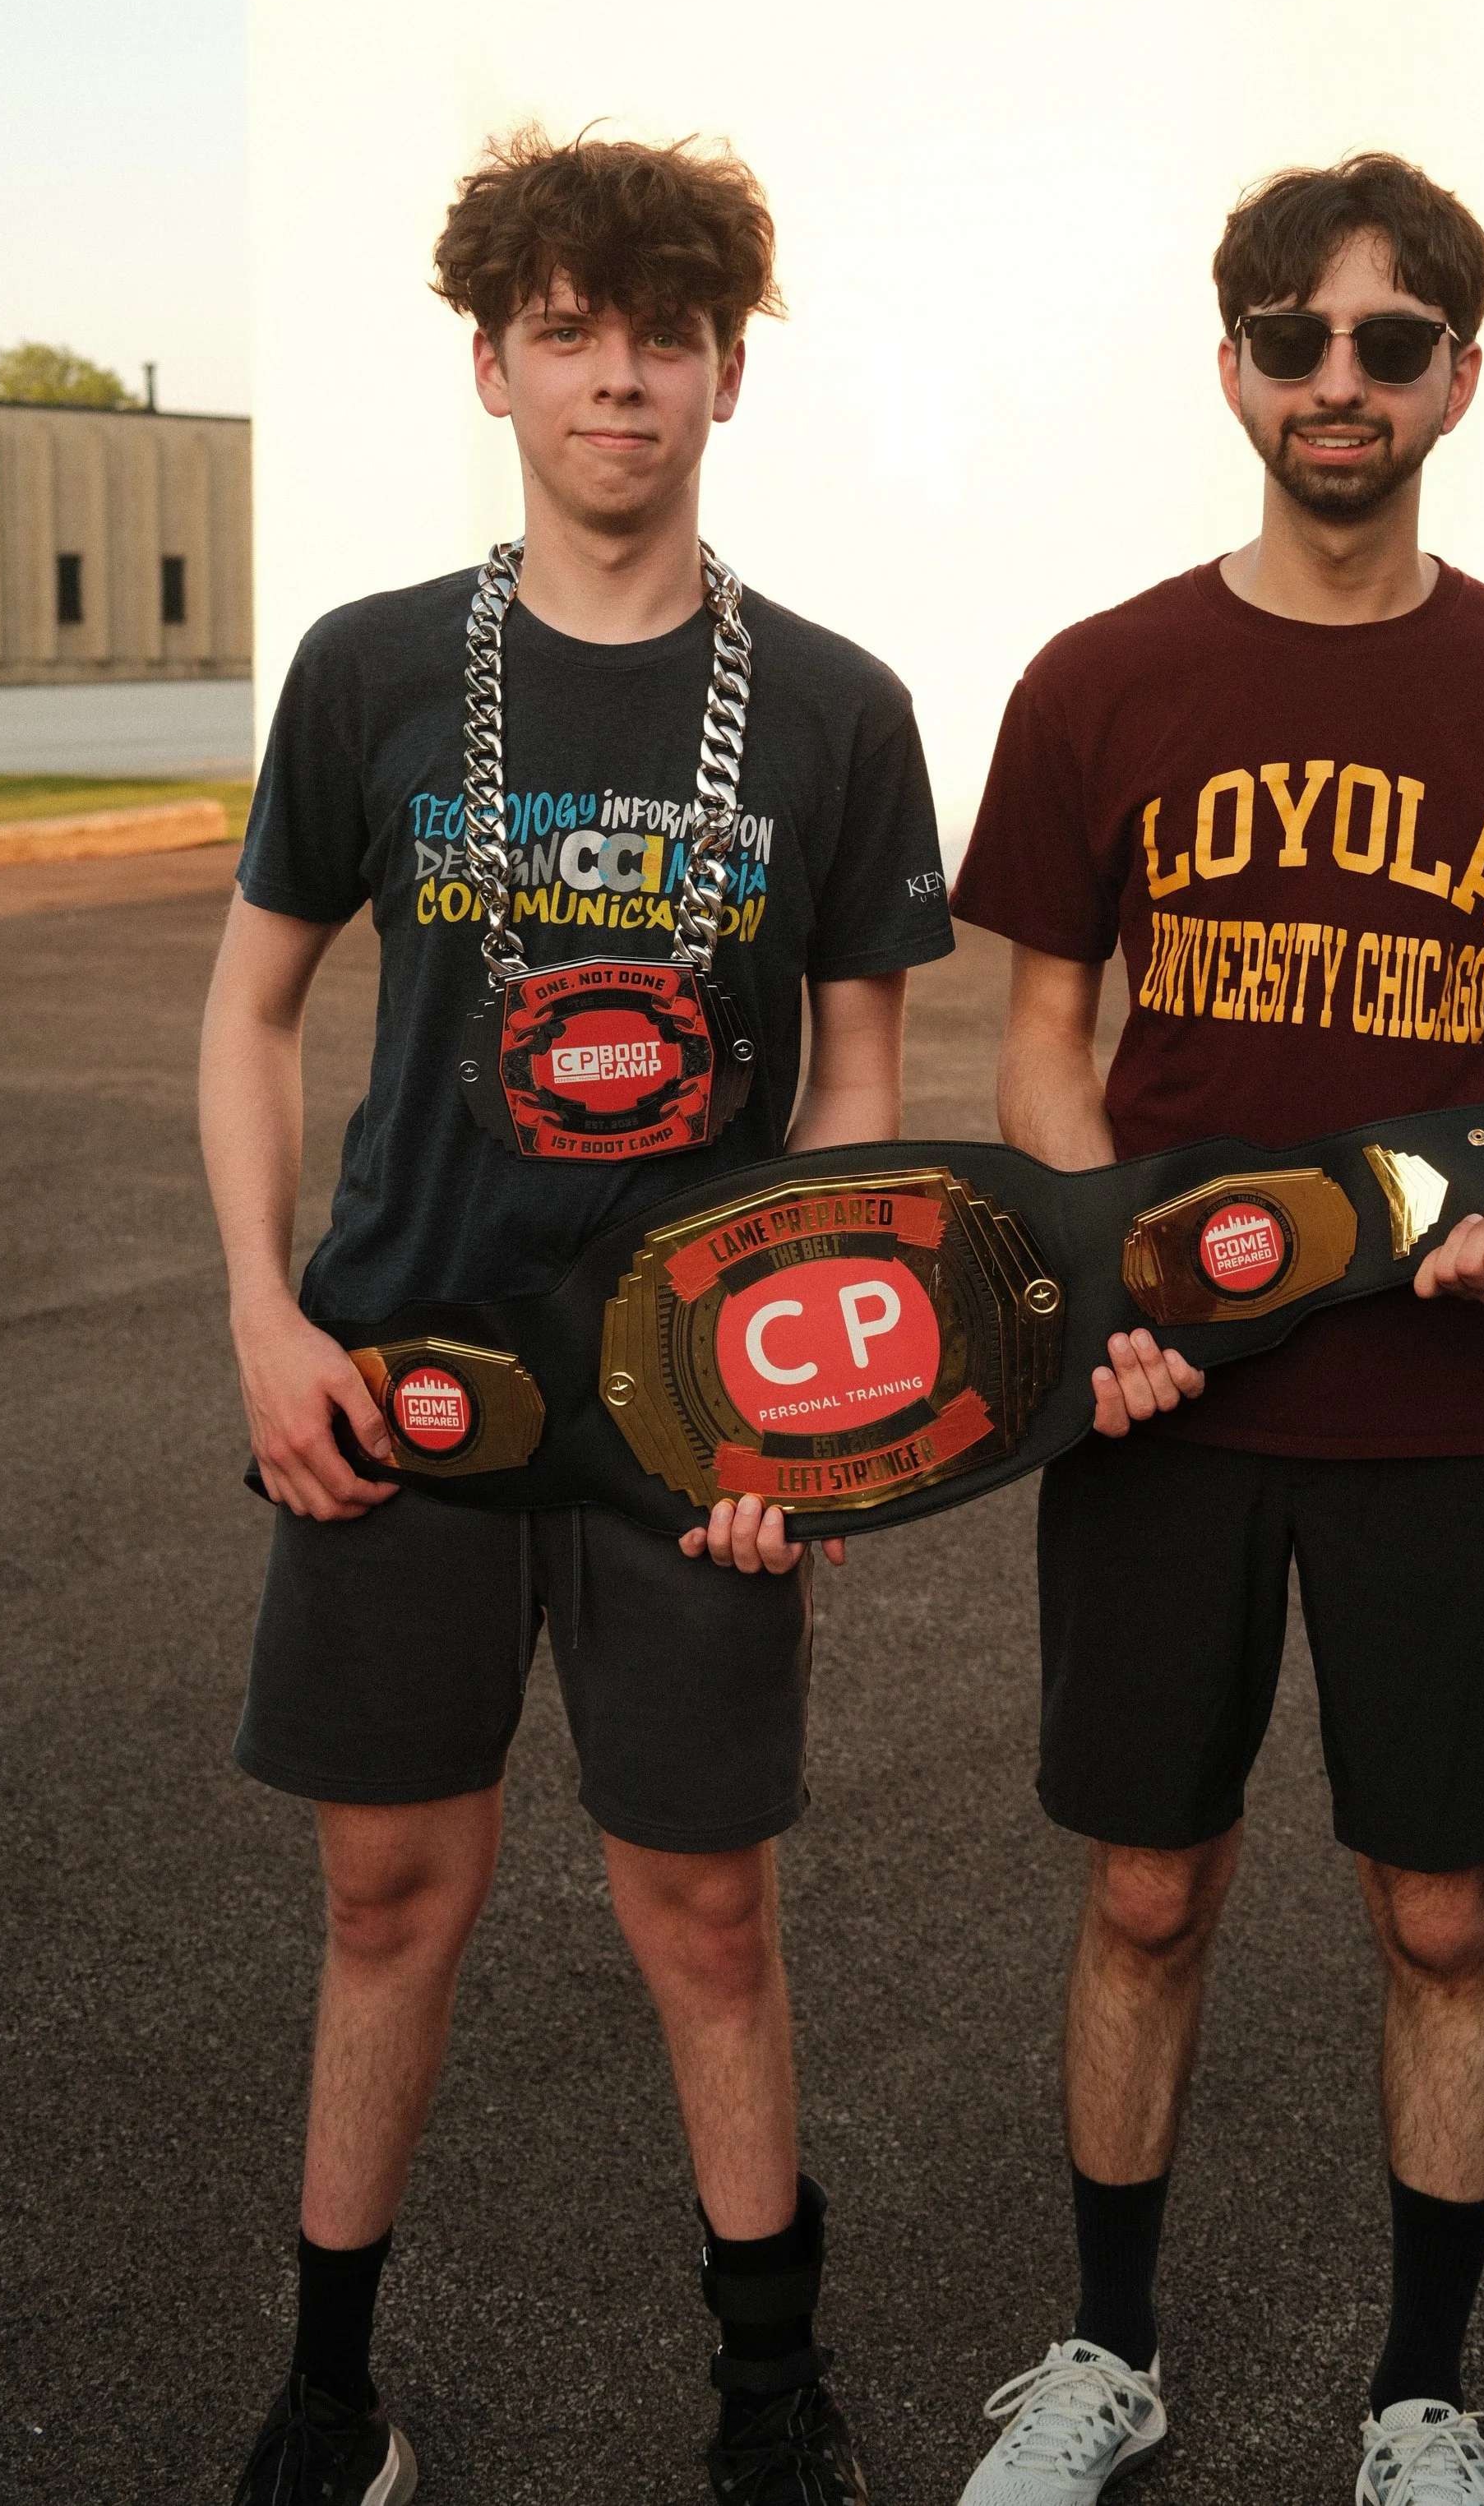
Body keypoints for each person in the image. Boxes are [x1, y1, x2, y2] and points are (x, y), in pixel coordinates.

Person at [201, 130, 954, 2506]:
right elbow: (246, 1018)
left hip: (691, 1418)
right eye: (565, 329)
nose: (616, 375)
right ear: (494, 361)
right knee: (383, 1893)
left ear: (727, 366)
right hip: (402, 1377)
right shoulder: (370, 670)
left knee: (703, 1906)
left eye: (662, 332)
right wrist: (258, 1313)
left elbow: (853, 1087)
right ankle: (333, 2396)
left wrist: (819, 1417)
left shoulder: (830, 706)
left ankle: (767, 2411)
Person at [945, 155, 1484, 2506]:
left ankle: (1417, 2400)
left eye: (1390, 340)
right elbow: (1044, 1040)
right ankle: (1101, 2357)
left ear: (1459, 372)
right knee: (1146, 1883)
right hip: (1166, 1401)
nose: (1338, 379)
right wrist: (1091, 1305)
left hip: (1440, 1399)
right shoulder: (1099, 679)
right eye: (1293, 336)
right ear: (1231, 370)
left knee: (1443, 1906)